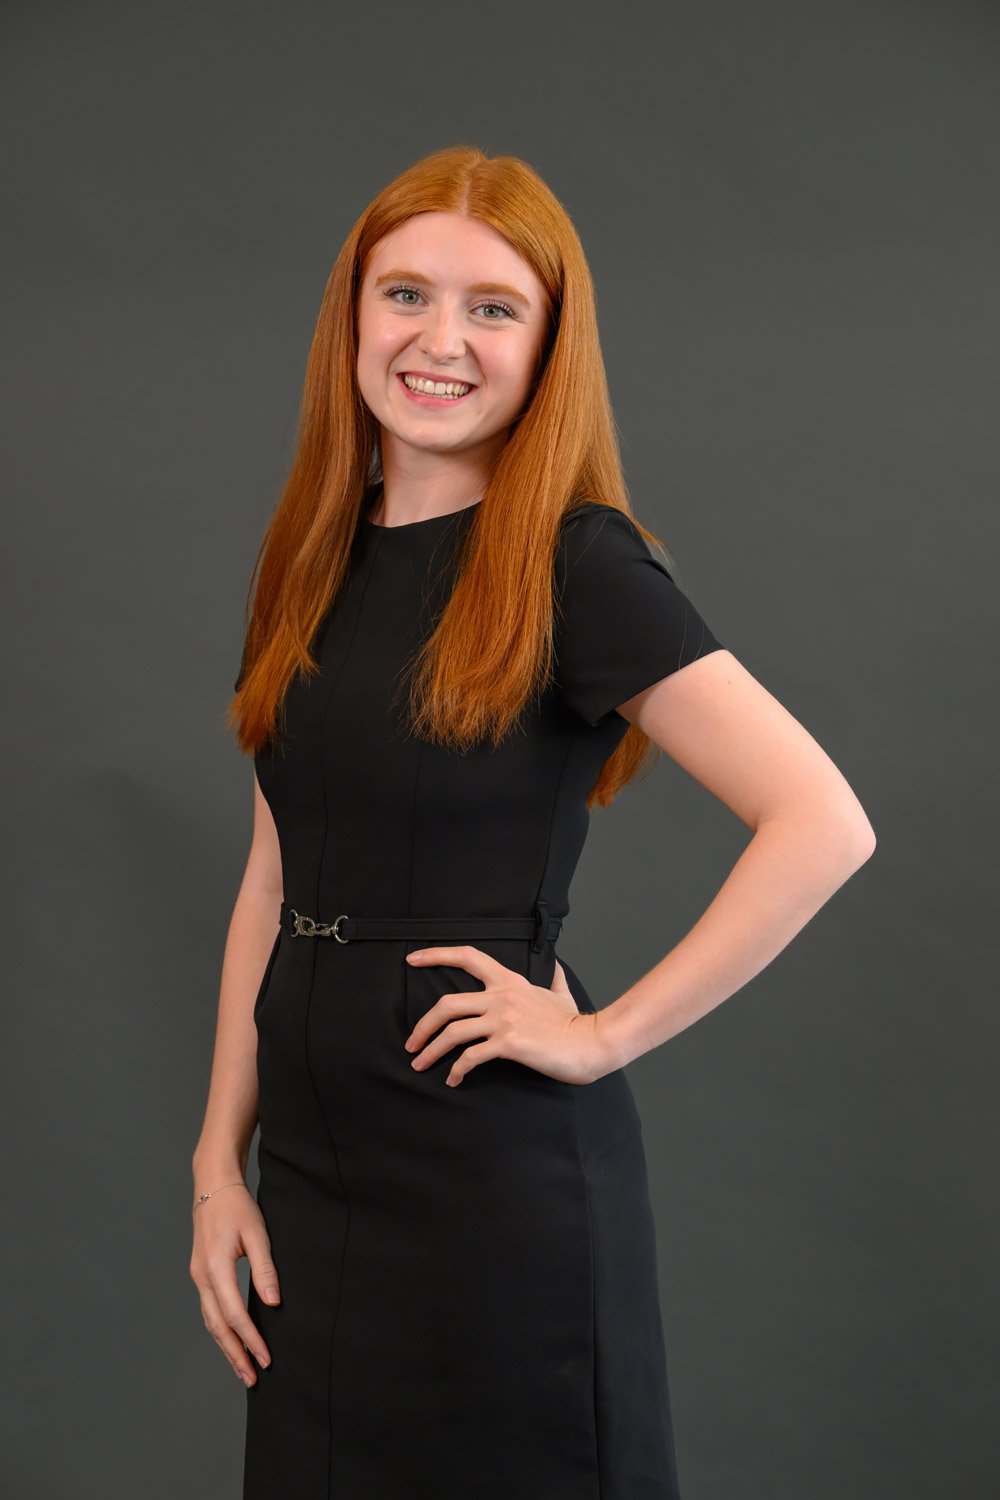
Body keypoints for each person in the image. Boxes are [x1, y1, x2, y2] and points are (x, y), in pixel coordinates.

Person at [190, 146, 876, 1500]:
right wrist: (219, 1161)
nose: (440, 341)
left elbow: (822, 820)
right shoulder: (310, 558)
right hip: (318, 1184)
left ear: (548, 343)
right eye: (405, 295)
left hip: (489, 1188)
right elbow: (276, 874)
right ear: (352, 316)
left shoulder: (577, 561)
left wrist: (600, 1034)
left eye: (493, 308)